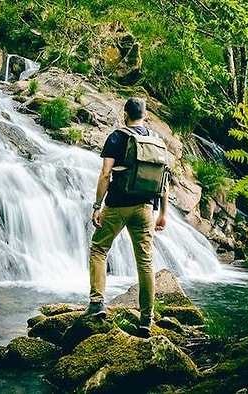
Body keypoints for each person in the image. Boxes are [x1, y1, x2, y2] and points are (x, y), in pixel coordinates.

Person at [83, 97, 168, 338]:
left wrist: (97, 206)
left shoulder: (117, 137)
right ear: (145, 114)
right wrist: (163, 213)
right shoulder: (156, 140)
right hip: (145, 207)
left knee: (99, 249)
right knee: (145, 262)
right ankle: (146, 319)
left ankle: (97, 304)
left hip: (118, 204)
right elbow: (164, 181)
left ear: (125, 114)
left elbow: (105, 174)